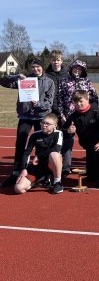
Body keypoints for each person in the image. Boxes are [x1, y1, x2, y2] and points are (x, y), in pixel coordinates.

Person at [1, 57, 55, 188]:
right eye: (33, 67)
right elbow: (3, 82)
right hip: (25, 116)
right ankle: (16, 172)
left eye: (38, 67)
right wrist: (16, 77)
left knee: (42, 146)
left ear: (42, 67)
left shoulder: (49, 82)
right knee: (20, 143)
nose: (35, 69)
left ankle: (43, 175)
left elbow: (49, 102)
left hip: (41, 117)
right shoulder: (24, 79)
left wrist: (39, 104)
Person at [64, 90, 99, 189]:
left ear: (87, 100)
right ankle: (95, 175)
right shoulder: (73, 116)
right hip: (89, 146)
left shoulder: (98, 113)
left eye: (81, 101)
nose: (78, 104)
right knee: (91, 177)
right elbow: (63, 130)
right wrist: (69, 131)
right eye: (76, 102)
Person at [57, 59, 99, 176]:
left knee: (88, 140)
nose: (77, 70)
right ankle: (66, 167)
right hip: (69, 116)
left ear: (83, 70)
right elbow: (59, 99)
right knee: (67, 140)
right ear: (71, 69)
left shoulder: (87, 82)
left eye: (80, 68)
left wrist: (92, 113)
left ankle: (92, 165)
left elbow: (94, 98)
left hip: (84, 115)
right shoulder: (64, 81)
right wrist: (62, 115)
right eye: (75, 68)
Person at [13, 113, 64, 194]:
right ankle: (40, 180)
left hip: (52, 165)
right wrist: (24, 169)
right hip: (39, 166)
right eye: (43, 122)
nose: (44, 125)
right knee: (18, 189)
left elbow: (57, 149)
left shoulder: (58, 133)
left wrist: (38, 156)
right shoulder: (35, 135)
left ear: (55, 125)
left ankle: (57, 183)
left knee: (54, 154)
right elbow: (27, 153)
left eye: (47, 124)